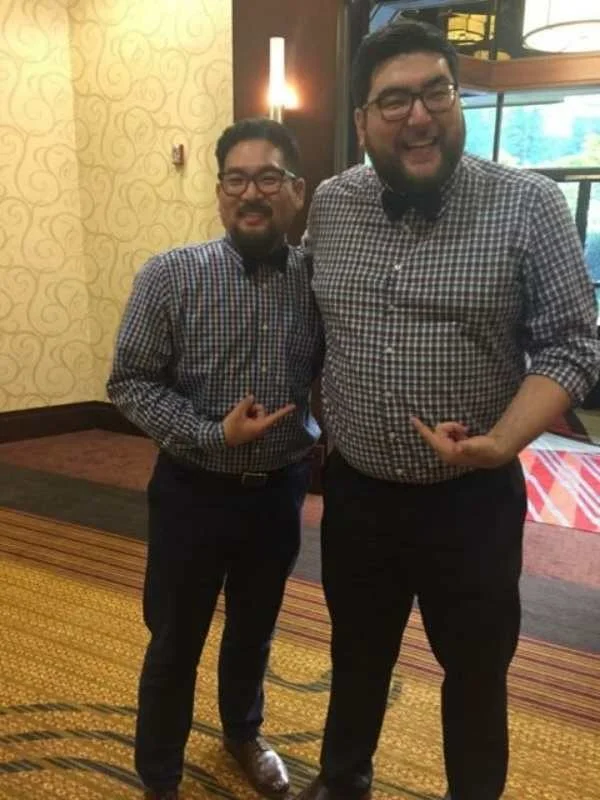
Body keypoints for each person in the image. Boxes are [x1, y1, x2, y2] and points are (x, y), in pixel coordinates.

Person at [296, 20, 600, 800]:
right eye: (394, 100)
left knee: (475, 671)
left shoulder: (529, 204)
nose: (419, 115)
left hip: (470, 505)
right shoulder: (331, 203)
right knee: (356, 655)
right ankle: (343, 780)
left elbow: (574, 345)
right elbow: (308, 321)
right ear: (361, 120)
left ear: (457, 100)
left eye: (437, 92)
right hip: (357, 495)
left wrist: (502, 442)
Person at [107, 117, 322, 800]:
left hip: (279, 492)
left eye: (268, 178)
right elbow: (129, 382)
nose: (250, 193)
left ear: (296, 190)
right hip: (191, 492)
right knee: (174, 640)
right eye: (236, 179)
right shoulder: (170, 275)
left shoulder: (319, 279)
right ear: (220, 190)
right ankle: (160, 778)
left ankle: (243, 732)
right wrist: (210, 434)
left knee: (254, 631)